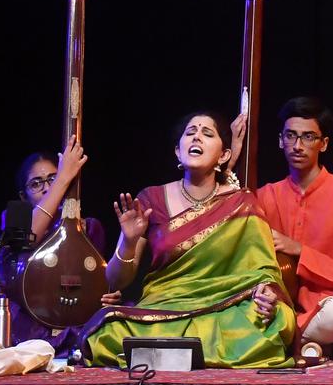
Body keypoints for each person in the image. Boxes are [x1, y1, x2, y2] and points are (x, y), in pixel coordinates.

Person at [82, 111, 296, 368]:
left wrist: (266, 295)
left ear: (224, 155)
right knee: (108, 329)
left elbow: (263, 270)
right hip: (164, 308)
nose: (197, 137)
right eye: (190, 132)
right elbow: (116, 280)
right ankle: (199, 355)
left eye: (207, 133)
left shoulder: (242, 203)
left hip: (223, 308)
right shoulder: (151, 199)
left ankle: (164, 355)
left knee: (275, 320)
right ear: (177, 151)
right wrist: (128, 241)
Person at [255, 97, 333, 361]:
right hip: (282, 310)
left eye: (308, 137)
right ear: (280, 140)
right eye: (291, 136)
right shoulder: (264, 197)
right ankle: (321, 347)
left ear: (324, 144)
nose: (298, 146)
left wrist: (300, 251)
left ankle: (302, 343)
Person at [0, 138, 119, 356]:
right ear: (22, 195)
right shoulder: (15, 218)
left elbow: (98, 284)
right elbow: (29, 238)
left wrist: (109, 295)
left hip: (79, 328)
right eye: (36, 183)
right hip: (27, 331)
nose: (47, 188)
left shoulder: (88, 228)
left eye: (52, 179)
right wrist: (62, 179)